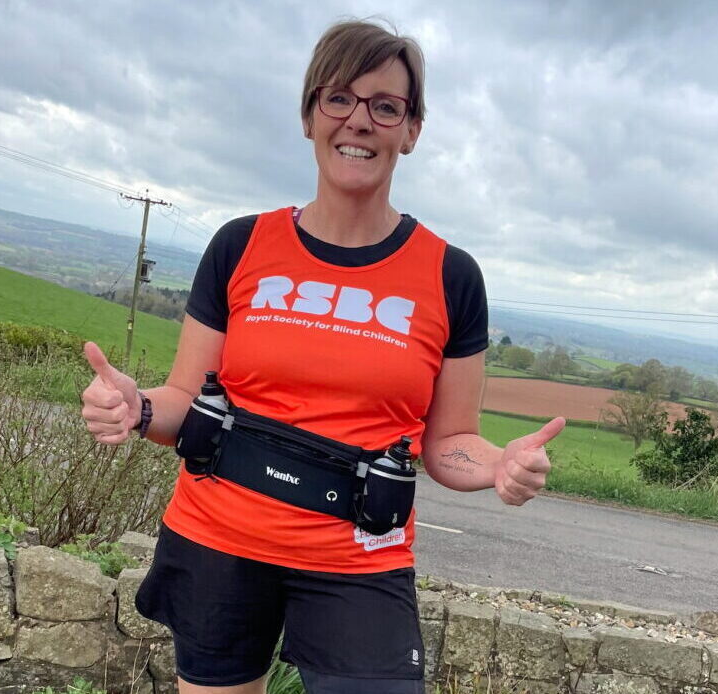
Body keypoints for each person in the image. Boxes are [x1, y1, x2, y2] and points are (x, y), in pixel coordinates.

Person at [80, 19, 564, 694]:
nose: (358, 121)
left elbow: (448, 440)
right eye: (338, 98)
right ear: (310, 116)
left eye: (384, 106)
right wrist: (136, 409)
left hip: (359, 562)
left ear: (411, 131)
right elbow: (185, 403)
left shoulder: (450, 277)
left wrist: (498, 466)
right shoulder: (240, 246)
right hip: (217, 539)